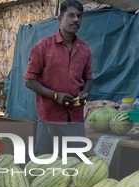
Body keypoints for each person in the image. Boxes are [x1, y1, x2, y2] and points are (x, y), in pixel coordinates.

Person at [24, 0, 93, 156]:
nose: (76, 20)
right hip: (50, 116)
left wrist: (85, 93)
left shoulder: (84, 49)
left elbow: (89, 78)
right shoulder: (43, 47)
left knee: (75, 161)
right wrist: (55, 96)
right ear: (60, 19)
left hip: (75, 117)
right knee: (47, 163)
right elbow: (29, 81)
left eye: (79, 16)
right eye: (71, 15)